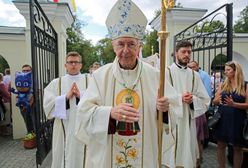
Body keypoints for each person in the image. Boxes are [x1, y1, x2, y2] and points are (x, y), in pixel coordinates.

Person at [75, 0, 180, 167]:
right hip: (110, 154)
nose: (125, 50)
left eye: (131, 44)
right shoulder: (100, 76)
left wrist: (165, 110)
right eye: (120, 44)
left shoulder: (156, 75)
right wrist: (109, 113)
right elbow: (83, 113)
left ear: (139, 46)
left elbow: (175, 110)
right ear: (113, 45)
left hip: (146, 153)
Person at [162, 41, 210, 168]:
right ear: (176, 53)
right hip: (171, 122)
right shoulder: (165, 73)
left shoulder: (195, 75)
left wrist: (193, 100)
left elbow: (205, 101)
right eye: (183, 51)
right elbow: (158, 97)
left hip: (188, 124)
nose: (187, 54)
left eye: (189, 52)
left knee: (186, 157)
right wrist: (179, 98)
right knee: (170, 158)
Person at [43, 51, 88, 168]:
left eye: (76, 62)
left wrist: (80, 95)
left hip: (84, 125)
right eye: (70, 62)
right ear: (65, 65)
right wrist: (65, 98)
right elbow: (47, 104)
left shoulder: (90, 80)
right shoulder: (56, 83)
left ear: (81, 65)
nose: (73, 65)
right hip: (63, 126)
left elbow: (97, 100)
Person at [213, 61, 248, 168]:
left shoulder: (245, 85)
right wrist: (217, 101)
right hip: (223, 118)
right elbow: (215, 101)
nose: (225, 72)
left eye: (228, 70)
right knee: (221, 145)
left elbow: (247, 105)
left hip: (238, 119)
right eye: (225, 69)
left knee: (238, 147)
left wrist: (234, 104)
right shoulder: (223, 84)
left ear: (236, 71)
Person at [188, 60, 212, 167]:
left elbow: (206, 94)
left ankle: (199, 160)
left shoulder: (203, 76)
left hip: (198, 110)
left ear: (197, 66)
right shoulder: (188, 75)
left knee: (197, 137)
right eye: (190, 67)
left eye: (193, 67)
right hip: (188, 110)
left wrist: (193, 99)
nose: (191, 69)